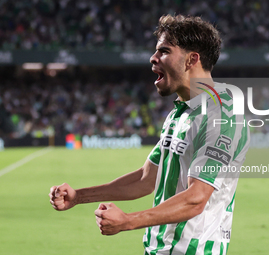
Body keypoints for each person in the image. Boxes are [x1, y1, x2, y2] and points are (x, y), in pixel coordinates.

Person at [49, 14, 250, 255]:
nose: (153, 58)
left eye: (164, 51)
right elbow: (146, 178)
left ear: (191, 59)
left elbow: (196, 198)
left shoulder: (222, 114)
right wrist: (78, 197)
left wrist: (128, 221)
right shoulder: (181, 112)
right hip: (159, 249)